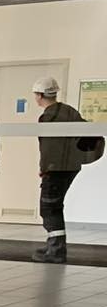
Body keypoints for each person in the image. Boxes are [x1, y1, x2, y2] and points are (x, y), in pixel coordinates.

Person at [30, 75, 96, 263]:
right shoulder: (69, 111)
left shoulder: (47, 117)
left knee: (49, 208)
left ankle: (56, 251)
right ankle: (54, 245)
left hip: (56, 168)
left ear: (39, 95)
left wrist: (44, 167)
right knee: (55, 206)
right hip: (71, 166)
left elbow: (48, 147)